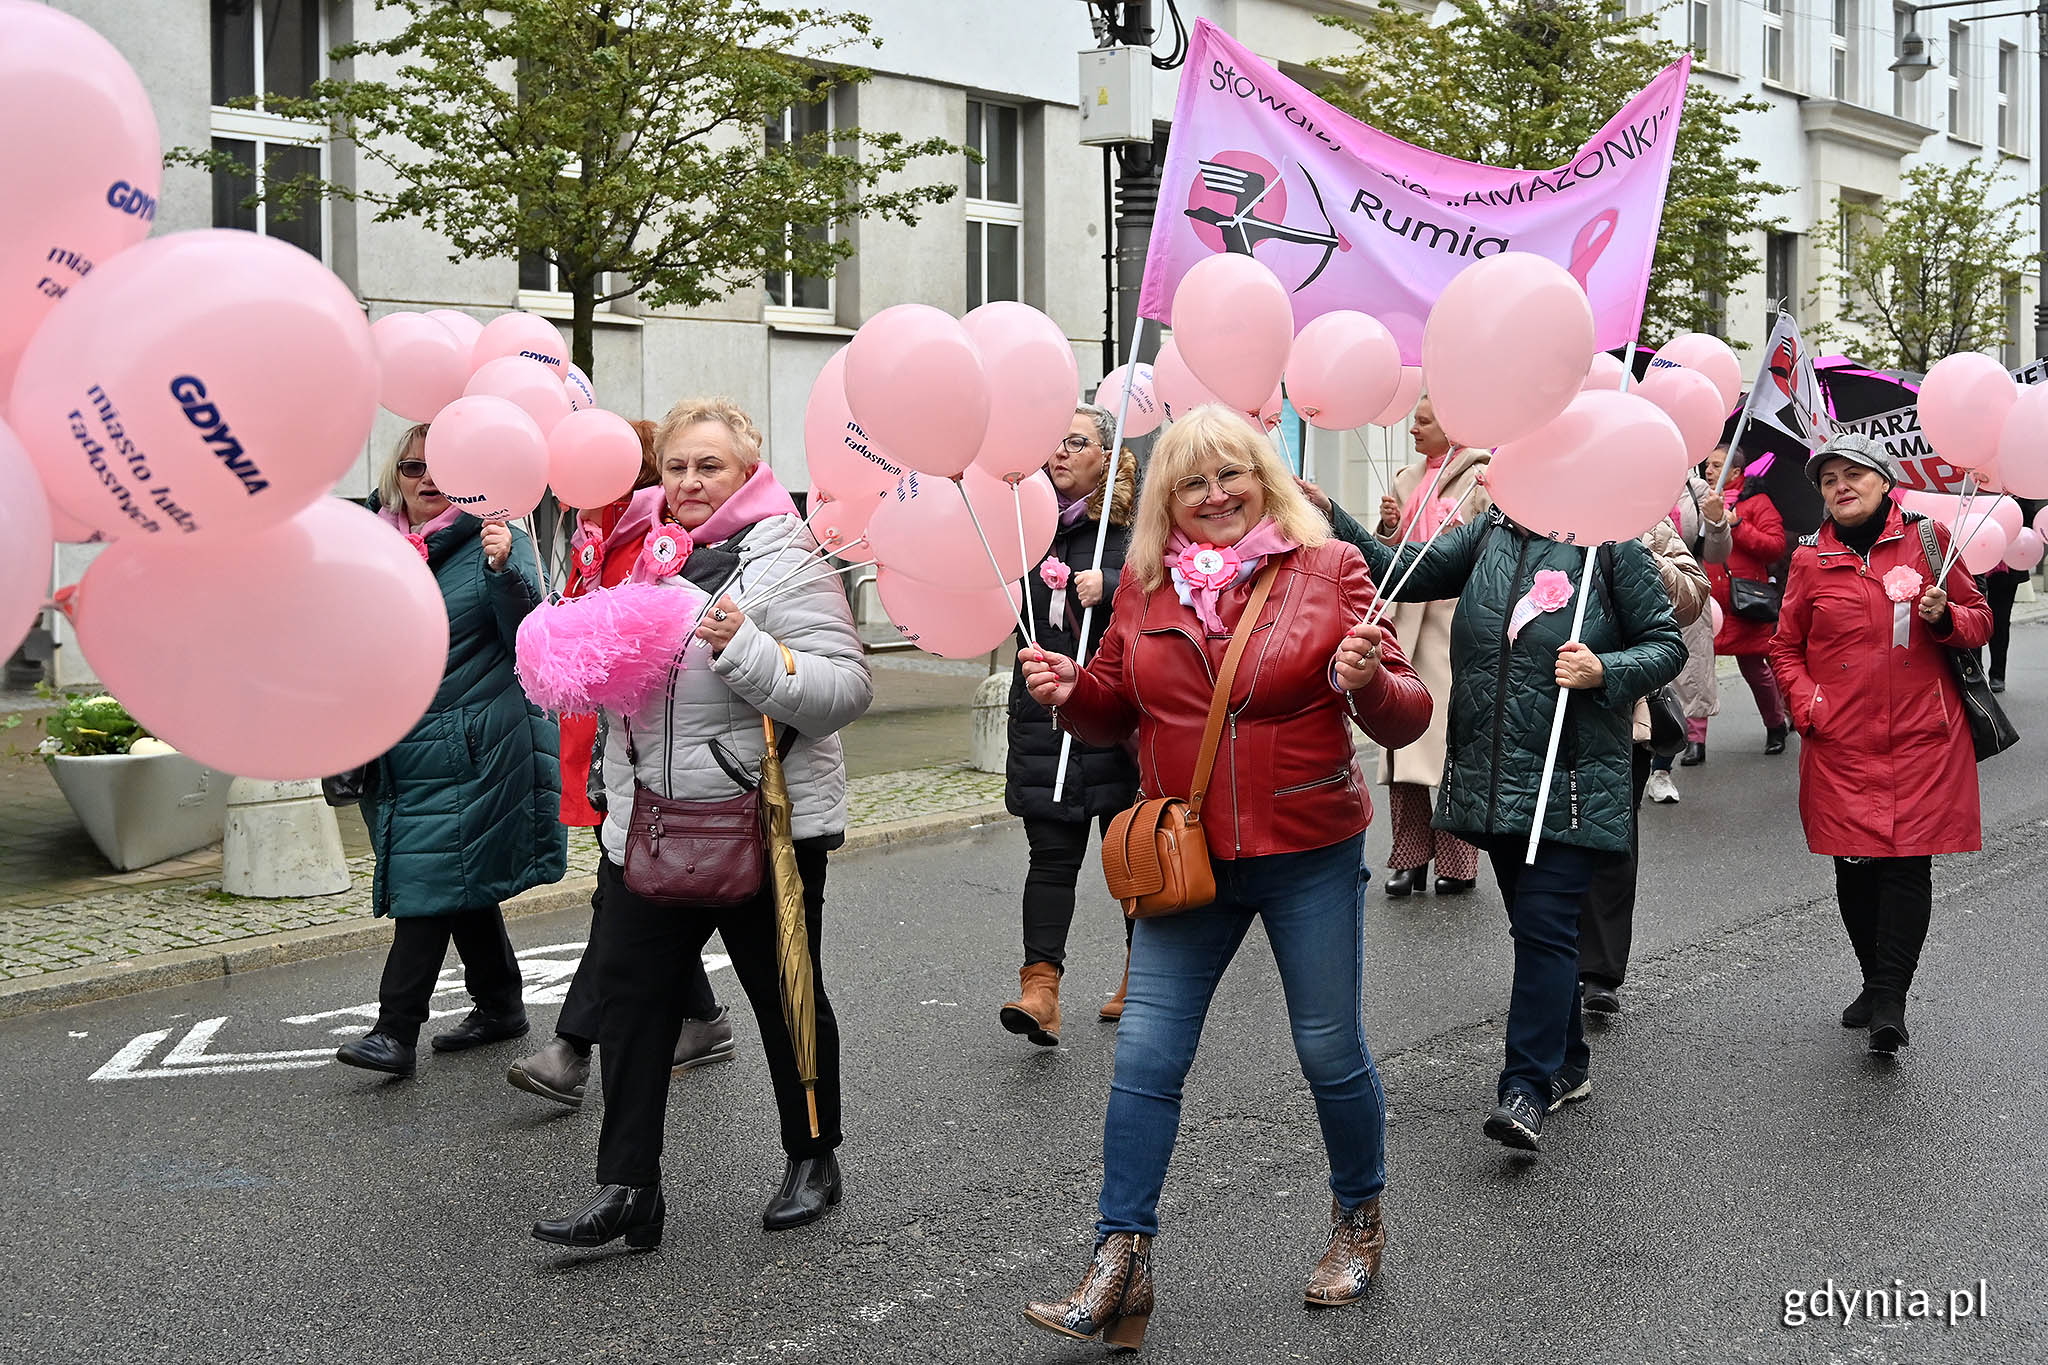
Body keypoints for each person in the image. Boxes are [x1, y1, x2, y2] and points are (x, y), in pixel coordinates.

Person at [1018, 405, 1432, 1345]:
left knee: (1329, 1048)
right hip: (1187, 853)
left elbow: (1406, 717)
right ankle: (1120, 1257)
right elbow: (1115, 707)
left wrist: (1366, 678)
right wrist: (1067, 689)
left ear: (1266, 478)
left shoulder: (1330, 569)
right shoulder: (1146, 583)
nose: (1214, 496)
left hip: (1309, 848)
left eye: (1231, 475)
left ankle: (1359, 1218)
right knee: (1146, 1058)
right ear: (1167, 498)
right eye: (1192, 482)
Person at [531, 398, 872, 1251]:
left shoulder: (786, 553)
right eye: (677, 465)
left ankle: (812, 1155)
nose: (688, 482)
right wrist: (616, 792)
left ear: (748, 470)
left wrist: (746, 645)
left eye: (709, 466)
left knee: (783, 994)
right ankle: (629, 1188)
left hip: (764, 826)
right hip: (650, 824)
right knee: (633, 1004)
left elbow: (844, 689)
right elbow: (628, 706)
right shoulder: (640, 555)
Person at [1354, 497, 1684, 1154]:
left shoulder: (1610, 537)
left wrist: (1604, 668)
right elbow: (1402, 570)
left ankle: (1525, 1087)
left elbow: (1667, 643)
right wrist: (1327, 514)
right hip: (1493, 776)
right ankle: (1569, 1062)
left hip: (1571, 781)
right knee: (1539, 929)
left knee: (1544, 927)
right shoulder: (1491, 530)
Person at [508, 417, 732, 1109]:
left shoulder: (659, 541)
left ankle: (571, 1049)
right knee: (638, 894)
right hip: (616, 749)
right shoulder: (589, 533)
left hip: (665, 758)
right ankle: (703, 1018)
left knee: (622, 898)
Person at [335, 425, 568, 1078]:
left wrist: (504, 570)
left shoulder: (496, 539)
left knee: (427, 881)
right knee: (456, 876)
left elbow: (531, 634)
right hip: (400, 749)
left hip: (471, 745)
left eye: (442, 467)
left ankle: (394, 1029)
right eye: (414, 466)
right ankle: (500, 1004)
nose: (426, 479)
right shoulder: (374, 547)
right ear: (394, 474)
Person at [1769, 435, 1992, 1055]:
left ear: (1884, 480)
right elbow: (1785, 647)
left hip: (1924, 736)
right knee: (1854, 863)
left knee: (1906, 862)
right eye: (1828, 479)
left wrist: (1946, 618)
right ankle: (1873, 977)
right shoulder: (1810, 559)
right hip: (1840, 738)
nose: (1841, 486)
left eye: (1854, 474)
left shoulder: (1929, 542)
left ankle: (1891, 996)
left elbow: (1980, 621)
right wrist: (1807, 701)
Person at [1301, 397, 1486, 898]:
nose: (1414, 430)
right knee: (1402, 742)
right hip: (1406, 624)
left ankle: (1457, 855)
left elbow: (1479, 557)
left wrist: (1455, 536)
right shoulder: (1406, 478)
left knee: (1448, 742)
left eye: (1424, 421)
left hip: (1452, 626)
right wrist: (1386, 526)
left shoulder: (1483, 478)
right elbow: (1392, 557)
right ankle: (1409, 855)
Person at [1000, 403, 1139, 1045]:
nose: (1058, 451)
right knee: (1050, 854)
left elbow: (1177, 586)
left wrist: (1110, 582)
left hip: (1119, 713)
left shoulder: (1137, 528)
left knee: (1130, 851)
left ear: (1105, 460)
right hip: (1045, 714)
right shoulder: (1022, 527)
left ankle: (1145, 973)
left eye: (1075, 441)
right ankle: (1041, 988)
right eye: (1051, 440)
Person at [1575, 517, 1710, 1018]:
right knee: (1546, 838)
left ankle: (1601, 971)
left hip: (1620, 703)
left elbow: (1693, 595)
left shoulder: (1638, 516)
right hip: (1541, 702)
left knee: (1613, 834)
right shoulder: (1528, 510)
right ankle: (1555, 958)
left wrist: (1636, 557)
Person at [1647, 460, 1733, 796]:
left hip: (1682, 594)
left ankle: (1661, 769)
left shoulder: (1695, 490)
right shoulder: (1623, 474)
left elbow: (1715, 554)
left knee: (1679, 680)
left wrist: (1716, 520)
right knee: (1638, 681)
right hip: (1631, 592)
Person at [1700, 444, 1790, 755]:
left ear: (1736, 472)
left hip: (1744, 601)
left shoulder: (1756, 502)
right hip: (1707, 600)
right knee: (1699, 670)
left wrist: (1736, 524)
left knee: (1755, 669)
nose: (1708, 471)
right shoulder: (1697, 499)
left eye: (1716, 466)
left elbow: (1775, 546)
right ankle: (1695, 741)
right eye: (1707, 465)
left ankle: (1775, 724)